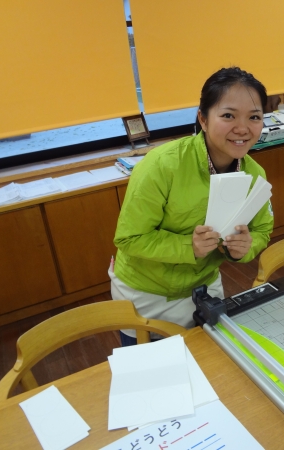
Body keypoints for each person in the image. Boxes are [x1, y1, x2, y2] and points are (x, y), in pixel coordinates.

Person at [110, 67, 274, 346]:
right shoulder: (162, 165)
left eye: (254, 117)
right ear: (203, 119)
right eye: (228, 115)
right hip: (147, 292)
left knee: (211, 360)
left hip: (204, 286)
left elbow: (262, 230)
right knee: (154, 368)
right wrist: (190, 246)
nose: (243, 128)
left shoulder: (254, 173)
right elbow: (129, 238)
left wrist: (245, 248)